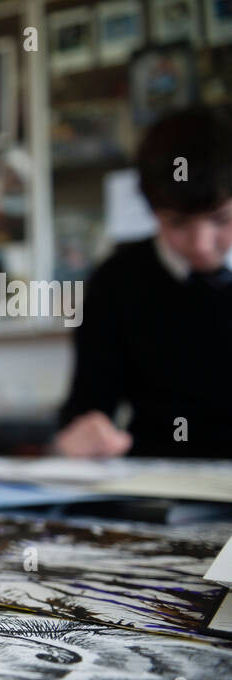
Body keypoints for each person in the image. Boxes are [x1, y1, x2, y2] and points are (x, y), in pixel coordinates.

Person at [55, 105, 232, 459]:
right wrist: (74, 440)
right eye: (178, 223)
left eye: (220, 219)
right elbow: (86, 409)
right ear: (152, 211)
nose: (200, 244)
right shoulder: (117, 281)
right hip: (154, 480)